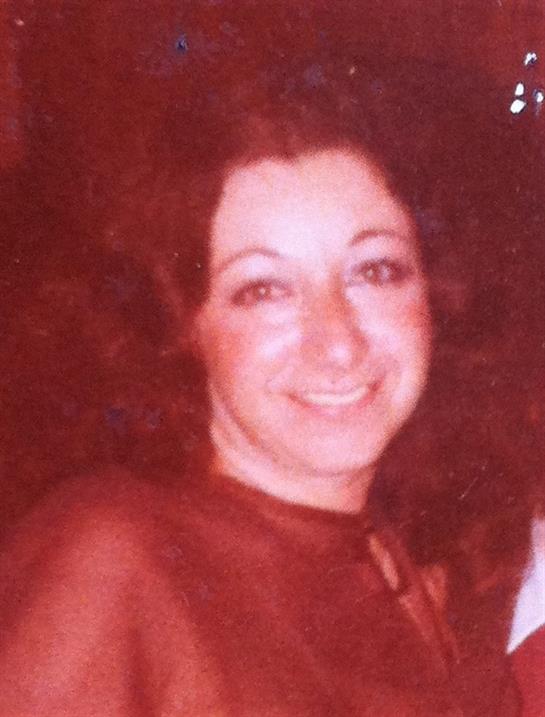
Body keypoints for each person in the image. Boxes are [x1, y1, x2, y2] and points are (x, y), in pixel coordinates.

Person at [0, 53, 538, 716]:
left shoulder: (399, 562)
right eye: (263, 290)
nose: (337, 341)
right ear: (181, 324)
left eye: (374, 271)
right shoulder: (111, 559)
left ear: (435, 291)